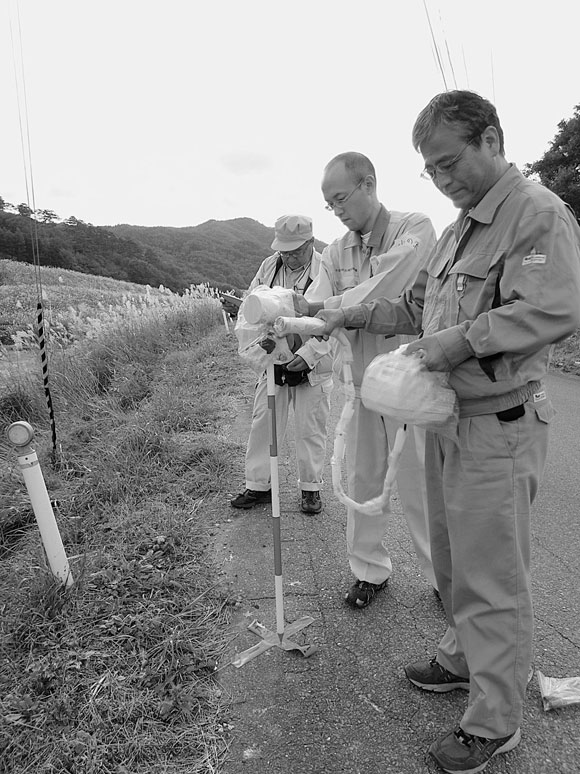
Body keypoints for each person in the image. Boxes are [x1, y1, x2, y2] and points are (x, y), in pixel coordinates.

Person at [313, 91, 580, 772]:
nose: (442, 178)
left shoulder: (536, 213)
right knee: (453, 560)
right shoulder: (462, 226)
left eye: (450, 162)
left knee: (494, 575)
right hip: (447, 422)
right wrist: (353, 315)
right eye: (430, 170)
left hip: (499, 424)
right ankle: (466, 657)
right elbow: (415, 306)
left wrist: (457, 342)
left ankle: (497, 719)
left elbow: (552, 308)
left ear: (491, 139)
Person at [299, 152, 438, 608]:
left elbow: (381, 291)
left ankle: (444, 580)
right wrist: (288, 337)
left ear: (369, 184)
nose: (336, 210)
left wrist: (323, 311)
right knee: (362, 481)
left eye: (340, 197)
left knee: (422, 486)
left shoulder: (413, 228)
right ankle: (368, 570)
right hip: (359, 386)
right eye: (329, 204)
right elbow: (314, 310)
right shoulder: (336, 251)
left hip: (412, 384)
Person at [230, 214, 333, 514]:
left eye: (296, 251)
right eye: (284, 251)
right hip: (274, 359)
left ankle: (311, 489)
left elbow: (332, 320)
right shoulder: (269, 266)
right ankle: (259, 485)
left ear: (311, 243)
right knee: (264, 419)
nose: (288, 257)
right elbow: (253, 304)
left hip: (312, 362)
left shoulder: (326, 269)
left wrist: (309, 355)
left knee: (310, 427)